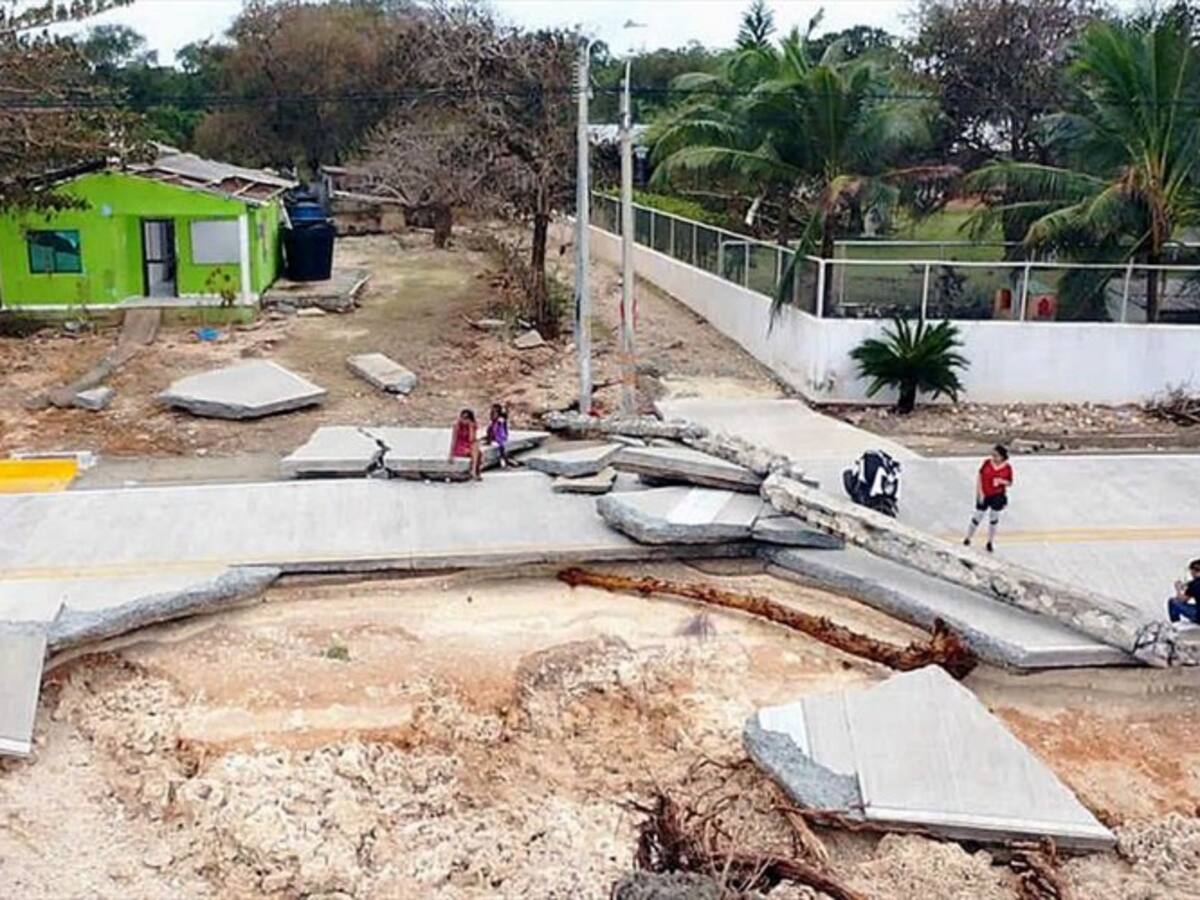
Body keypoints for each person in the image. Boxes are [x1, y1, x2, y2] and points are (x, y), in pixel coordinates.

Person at [963, 444, 1013, 553]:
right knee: (977, 516)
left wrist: (1001, 481)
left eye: (996, 456)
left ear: (1002, 457)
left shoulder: (1007, 468)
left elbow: (1009, 482)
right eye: (993, 455)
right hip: (984, 493)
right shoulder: (987, 463)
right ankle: (968, 537)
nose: (994, 458)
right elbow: (980, 477)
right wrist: (979, 492)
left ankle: (990, 541)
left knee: (993, 518)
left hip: (997, 495)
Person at [449, 408, 482, 480]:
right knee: (476, 451)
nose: (464, 420)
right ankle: (474, 471)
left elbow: (471, 439)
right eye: (463, 417)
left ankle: (474, 471)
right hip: (460, 447)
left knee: (476, 448)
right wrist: (451, 454)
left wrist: (470, 427)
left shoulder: (472, 426)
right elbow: (453, 440)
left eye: (466, 418)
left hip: (469, 447)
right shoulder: (457, 425)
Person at [1167, 559, 1200, 625]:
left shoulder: (1195, 584)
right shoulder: (1193, 583)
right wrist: (1186, 585)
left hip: (1198, 616)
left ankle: (1176, 625)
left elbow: (1182, 600)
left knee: (1172, 602)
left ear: (1193, 571)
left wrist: (1178, 589)